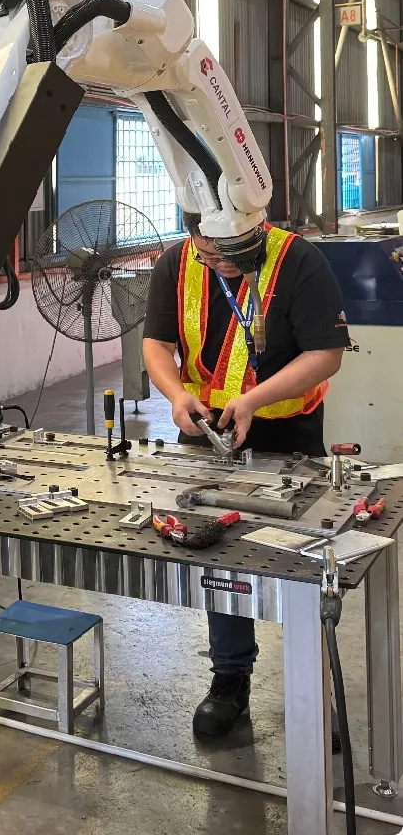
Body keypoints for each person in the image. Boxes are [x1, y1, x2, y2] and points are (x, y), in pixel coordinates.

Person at [142, 211, 348, 738]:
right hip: (205, 431)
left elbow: (326, 354)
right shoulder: (176, 264)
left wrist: (254, 399)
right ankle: (230, 679)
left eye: (232, 254)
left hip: (287, 437)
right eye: (210, 253)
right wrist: (175, 394)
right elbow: (157, 345)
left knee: (299, 564)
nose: (222, 265)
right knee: (218, 560)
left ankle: (314, 692)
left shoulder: (299, 260)